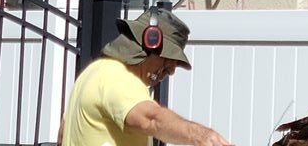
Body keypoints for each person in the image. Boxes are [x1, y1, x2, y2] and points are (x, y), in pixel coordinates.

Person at [59, 8, 232, 146]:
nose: (171, 70)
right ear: (149, 43)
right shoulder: (119, 78)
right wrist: (200, 136)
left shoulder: (92, 73)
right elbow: (152, 119)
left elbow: (62, 135)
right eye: (168, 59)